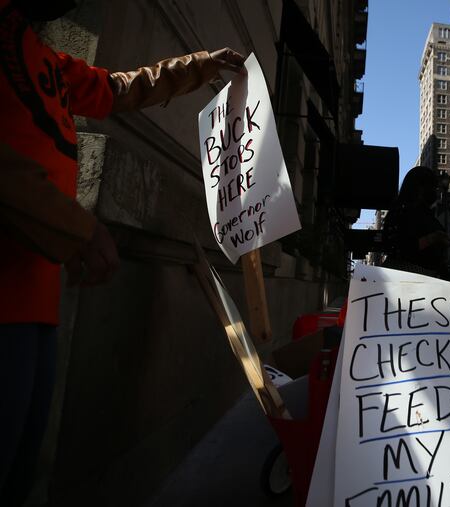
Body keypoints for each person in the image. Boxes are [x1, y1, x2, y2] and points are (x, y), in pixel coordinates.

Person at [0, 1, 245, 504]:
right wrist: (79, 229)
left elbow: (116, 89)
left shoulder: (43, 58)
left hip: (39, 306)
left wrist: (200, 66)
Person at [381, 166, 449, 278]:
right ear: (421, 188)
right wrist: (434, 237)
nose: (436, 191)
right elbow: (404, 248)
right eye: (433, 187)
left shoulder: (418, 211)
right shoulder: (408, 213)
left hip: (420, 278)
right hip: (411, 278)